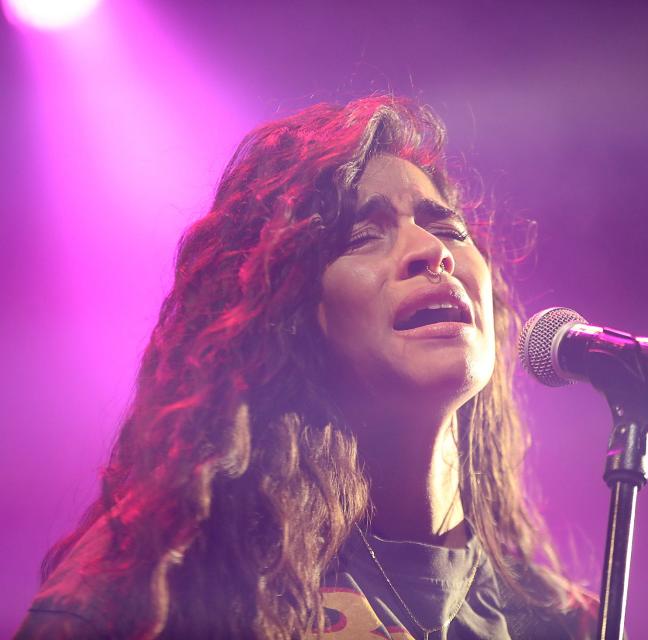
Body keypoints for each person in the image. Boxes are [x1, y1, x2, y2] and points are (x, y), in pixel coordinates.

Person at [15, 96, 597, 639]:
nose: (433, 252)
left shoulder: (554, 621)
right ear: (283, 315)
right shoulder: (170, 581)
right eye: (364, 236)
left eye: (449, 229)